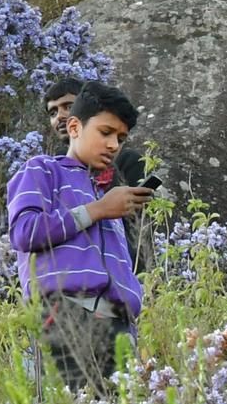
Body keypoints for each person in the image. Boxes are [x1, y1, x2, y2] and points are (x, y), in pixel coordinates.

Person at [8, 82, 153, 391]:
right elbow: (24, 231)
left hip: (119, 327)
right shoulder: (42, 170)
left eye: (121, 138)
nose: (114, 145)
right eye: (105, 132)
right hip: (64, 315)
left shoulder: (107, 193)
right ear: (74, 127)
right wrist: (97, 210)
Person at [44, 77, 153, 273]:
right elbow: (30, 232)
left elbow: (138, 229)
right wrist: (100, 208)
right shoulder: (45, 171)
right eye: (53, 112)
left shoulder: (128, 163)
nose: (60, 116)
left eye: (68, 106)